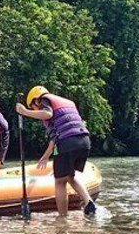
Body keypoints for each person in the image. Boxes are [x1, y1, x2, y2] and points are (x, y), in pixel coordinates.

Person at [15, 85, 97, 217]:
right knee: (70, 176)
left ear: (36, 100)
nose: (34, 110)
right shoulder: (65, 103)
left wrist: (25, 112)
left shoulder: (45, 101)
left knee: (60, 181)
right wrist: (46, 156)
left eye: (33, 107)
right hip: (84, 142)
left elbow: (48, 114)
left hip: (67, 143)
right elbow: (55, 137)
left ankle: (62, 218)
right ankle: (89, 202)